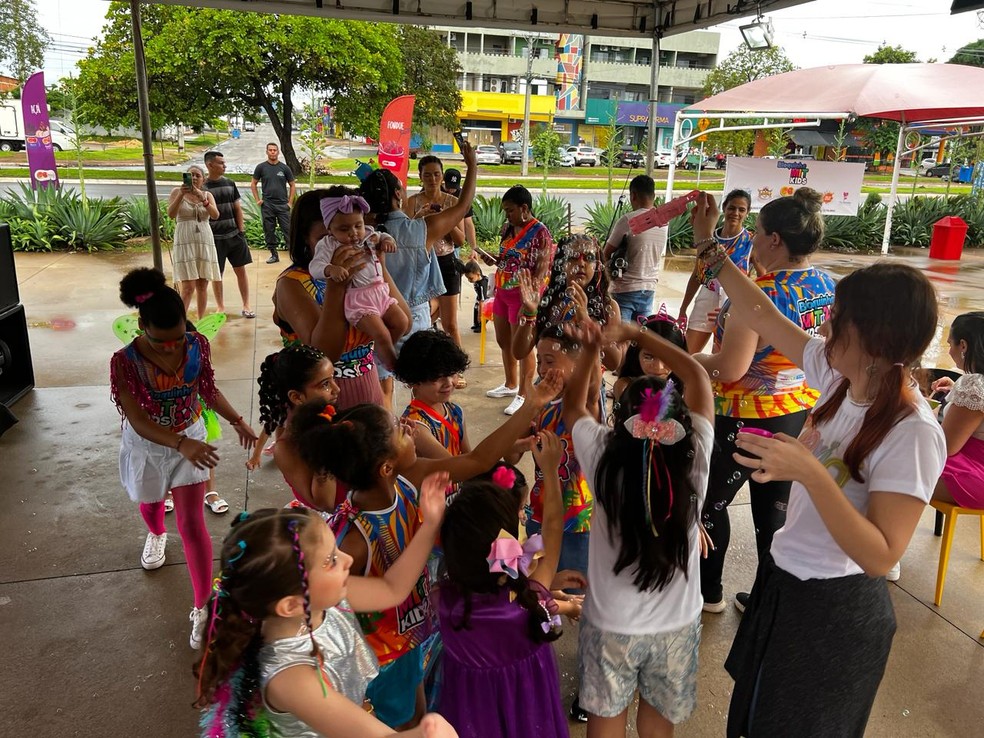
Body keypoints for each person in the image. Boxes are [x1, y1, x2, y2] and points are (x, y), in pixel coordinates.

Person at [690, 191, 946, 737]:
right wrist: (715, 251)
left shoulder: (912, 431)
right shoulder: (840, 378)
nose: (825, 326)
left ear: (876, 339)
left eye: (838, 320)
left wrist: (805, 469)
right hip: (786, 584)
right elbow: (761, 310)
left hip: (834, 611)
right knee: (750, 719)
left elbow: (881, 555)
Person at [290, 370, 563, 730]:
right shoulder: (353, 539)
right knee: (400, 724)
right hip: (382, 657)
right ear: (386, 466)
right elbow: (332, 607)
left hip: (416, 635)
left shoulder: (406, 479)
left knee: (418, 714)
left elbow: (478, 461)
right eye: (398, 430)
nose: (407, 426)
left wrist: (532, 405)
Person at [193, 489, 461, 738]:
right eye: (331, 560)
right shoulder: (291, 678)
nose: (347, 560)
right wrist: (428, 733)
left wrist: (430, 523)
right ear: (291, 604)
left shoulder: (318, 599)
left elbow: (392, 589)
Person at [563, 317, 715, 738]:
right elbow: (697, 376)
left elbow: (574, 407)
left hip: (611, 623)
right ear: (682, 425)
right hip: (677, 623)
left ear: (619, 427)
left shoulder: (603, 457)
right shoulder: (696, 453)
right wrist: (636, 334)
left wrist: (594, 347)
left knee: (605, 725)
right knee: (658, 728)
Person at [693, 188, 837, 615]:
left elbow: (731, 369)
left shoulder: (757, 296)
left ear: (775, 240)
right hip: (796, 417)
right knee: (772, 512)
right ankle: (763, 601)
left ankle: (710, 593)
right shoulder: (825, 284)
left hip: (745, 420)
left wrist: (695, 361)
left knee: (710, 503)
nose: (752, 240)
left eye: (757, 232)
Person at [110, 268, 258, 649]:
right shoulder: (124, 361)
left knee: (193, 524)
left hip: (189, 436)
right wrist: (178, 444)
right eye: (161, 342)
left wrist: (238, 420)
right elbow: (139, 420)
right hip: (149, 446)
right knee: (152, 505)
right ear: (141, 326)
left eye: (178, 338)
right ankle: (157, 533)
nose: (172, 348)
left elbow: (206, 388)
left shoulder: (195, 344)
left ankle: (202, 608)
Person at [436, 433, 570, 738]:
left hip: (471, 723)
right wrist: (549, 470)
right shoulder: (528, 599)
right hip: (534, 720)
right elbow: (552, 530)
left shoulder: (442, 605)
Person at [359, 142, 477, 409]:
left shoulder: (361, 233)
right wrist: (472, 167)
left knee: (383, 390)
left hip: (375, 320)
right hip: (415, 318)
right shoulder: (422, 229)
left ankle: (388, 440)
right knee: (423, 389)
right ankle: (421, 434)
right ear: (399, 195)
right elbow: (464, 205)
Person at [271, 189, 405, 410]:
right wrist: (336, 285)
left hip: (367, 386)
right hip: (321, 400)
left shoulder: (361, 275)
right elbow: (324, 354)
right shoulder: (293, 283)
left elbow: (404, 320)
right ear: (306, 237)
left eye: (356, 228)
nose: (344, 242)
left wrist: (378, 264)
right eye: (327, 237)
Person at [309, 187, 408, 370]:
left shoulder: (368, 234)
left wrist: (387, 241)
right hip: (359, 300)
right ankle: (393, 365)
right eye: (344, 229)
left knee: (402, 322)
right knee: (382, 334)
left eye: (358, 226)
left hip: (380, 292)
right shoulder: (329, 245)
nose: (354, 233)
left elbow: (381, 234)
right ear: (329, 229)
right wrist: (331, 269)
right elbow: (315, 267)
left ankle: (381, 352)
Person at [476, 186, 555, 415]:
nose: (506, 215)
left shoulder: (540, 233)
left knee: (523, 347)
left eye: (510, 211)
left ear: (524, 209)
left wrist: (531, 301)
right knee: (504, 341)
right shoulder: (508, 228)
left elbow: (542, 271)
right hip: (502, 291)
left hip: (523, 297)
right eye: (505, 211)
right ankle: (510, 384)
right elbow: (505, 258)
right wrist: (493, 260)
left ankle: (523, 392)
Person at [513, 233, 624, 374]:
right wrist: (529, 313)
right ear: (561, 263)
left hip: (587, 389)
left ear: (597, 265)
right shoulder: (546, 303)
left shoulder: (607, 306)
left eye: (589, 258)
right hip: (548, 385)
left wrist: (586, 321)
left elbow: (614, 362)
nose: (581, 263)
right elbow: (519, 352)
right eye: (573, 257)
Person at [256, 344, 341, 511]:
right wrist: (324, 447)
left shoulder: (333, 417)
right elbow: (326, 504)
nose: (336, 389)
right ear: (296, 397)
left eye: (333, 378)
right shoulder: (288, 447)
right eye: (325, 384)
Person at [677, 189, 756, 353]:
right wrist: (683, 308)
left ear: (747, 213)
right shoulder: (708, 238)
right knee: (687, 355)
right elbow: (698, 275)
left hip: (733, 305)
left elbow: (762, 280)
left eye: (741, 210)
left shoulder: (751, 241)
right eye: (732, 208)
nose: (736, 213)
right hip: (706, 300)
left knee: (719, 359)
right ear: (724, 208)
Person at [403, 156, 467, 352]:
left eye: (436, 174)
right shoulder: (412, 202)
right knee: (420, 321)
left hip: (446, 263)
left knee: (451, 325)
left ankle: (458, 367)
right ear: (420, 176)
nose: (432, 179)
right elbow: (405, 236)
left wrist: (442, 220)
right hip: (421, 264)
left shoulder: (453, 202)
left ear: (442, 176)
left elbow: (460, 240)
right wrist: (421, 217)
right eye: (427, 175)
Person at [930, 312, 984, 509]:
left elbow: (946, 446)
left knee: (889, 467)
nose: (949, 351)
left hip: (974, 476)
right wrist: (956, 391)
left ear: (963, 345)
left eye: (949, 344)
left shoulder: (974, 386)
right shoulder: (975, 386)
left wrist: (930, 413)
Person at [394, 329, 471, 458]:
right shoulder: (415, 425)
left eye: (452, 373)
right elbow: (454, 466)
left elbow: (469, 456)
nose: (448, 382)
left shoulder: (456, 411)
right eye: (437, 377)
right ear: (414, 381)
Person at [602, 175, 668, 323]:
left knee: (621, 340)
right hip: (649, 289)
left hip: (624, 289)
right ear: (654, 196)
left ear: (633, 195)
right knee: (639, 338)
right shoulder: (664, 223)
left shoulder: (628, 220)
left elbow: (604, 254)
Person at [203, 150, 254, 318]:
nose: (224, 166)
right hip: (214, 239)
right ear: (210, 165)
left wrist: (241, 231)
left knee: (241, 270)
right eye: (220, 163)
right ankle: (220, 307)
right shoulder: (202, 188)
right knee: (217, 275)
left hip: (234, 236)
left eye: (224, 163)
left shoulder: (230, 183)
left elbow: (237, 208)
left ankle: (246, 305)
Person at [167, 165, 221, 319]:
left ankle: (200, 319)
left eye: (198, 175)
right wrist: (181, 195)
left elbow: (215, 215)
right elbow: (171, 214)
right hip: (185, 240)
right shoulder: (177, 192)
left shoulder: (207, 195)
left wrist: (202, 198)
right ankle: (180, 321)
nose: (195, 178)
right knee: (188, 287)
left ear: (203, 179)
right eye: (191, 175)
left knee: (203, 284)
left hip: (204, 240)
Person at [612, 308, 688, 402]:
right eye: (648, 357)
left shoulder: (687, 387)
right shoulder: (625, 387)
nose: (658, 367)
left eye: (667, 358)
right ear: (636, 353)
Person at [252, 142, 296, 264]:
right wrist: (257, 200)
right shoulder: (261, 167)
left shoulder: (284, 168)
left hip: (282, 205)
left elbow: (292, 185)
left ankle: (294, 256)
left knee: (288, 230)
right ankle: (274, 255)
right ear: (267, 152)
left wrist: (290, 202)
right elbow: (253, 184)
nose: (272, 152)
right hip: (267, 205)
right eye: (270, 150)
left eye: (274, 150)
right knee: (269, 231)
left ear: (278, 152)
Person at [442, 167, 477, 256]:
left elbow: (468, 223)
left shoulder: (462, 196)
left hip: (454, 244)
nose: (451, 191)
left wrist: (473, 248)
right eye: (449, 187)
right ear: (443, 181)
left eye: (454, 188)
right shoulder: (436, 191)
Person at [462, 260, 489, 333]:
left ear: (477, 274)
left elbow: (482, 301)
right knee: (475, 309)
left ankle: (482, 325)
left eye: (471, 278)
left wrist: (480, 315)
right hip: (479, 297)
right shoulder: (477, 276)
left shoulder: (481, 285)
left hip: (485, 300)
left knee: (481, 312)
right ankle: (476, 324)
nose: (469, 280)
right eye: (467, 278)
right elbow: (475, 264)